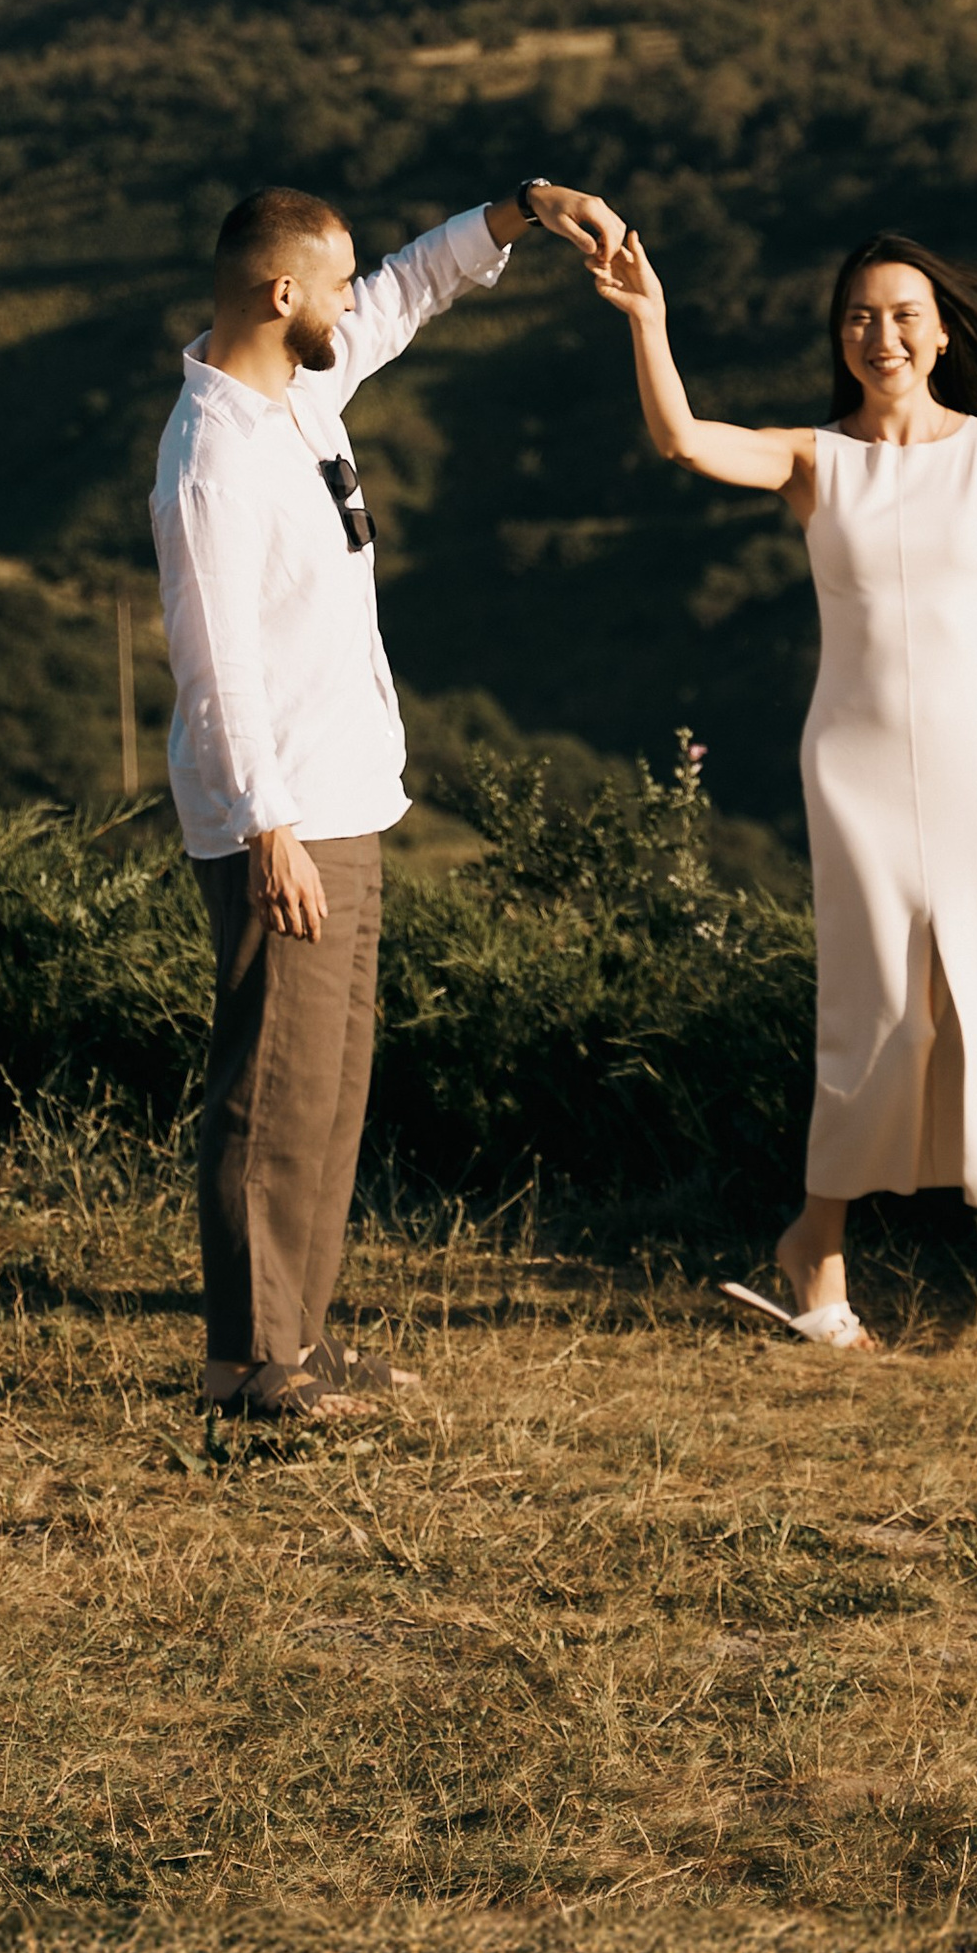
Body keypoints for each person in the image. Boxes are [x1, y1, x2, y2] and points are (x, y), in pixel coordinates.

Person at [591, 223, 977, 1358]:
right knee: (875, 1001)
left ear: (940, 334)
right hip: (852, 762)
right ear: (840, 339)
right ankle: (815, 1248)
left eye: (900, 314)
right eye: (858, 316)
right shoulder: (811, 458)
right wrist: (648, 318)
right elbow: (684, 440)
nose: (879, 334)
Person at [154, 170, 621, 1419]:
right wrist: (267, 825)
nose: (356, 294)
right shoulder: (210, 458)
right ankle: (243, 1366)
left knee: (331, 1078)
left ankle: (296, 1344)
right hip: (283, 811)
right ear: (280, 288)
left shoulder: (300, 391)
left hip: (347, 794)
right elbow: (214, 665)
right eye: (337, 276)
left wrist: (519, 213)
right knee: (269, 1086)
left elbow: (410, 289)